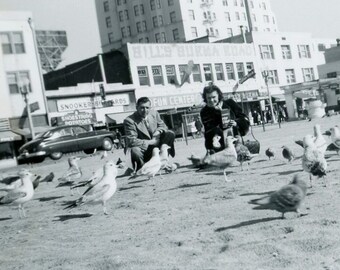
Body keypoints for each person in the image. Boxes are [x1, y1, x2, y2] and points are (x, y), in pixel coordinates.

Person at [124, 97, 175, 171]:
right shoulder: (129, 121)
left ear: (150, 107)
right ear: (136, 107)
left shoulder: (154, 113)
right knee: (135, 150)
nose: (145, 110)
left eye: (147, 108)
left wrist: (159, 131)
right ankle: (141, 168)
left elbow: (163, 126)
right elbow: (131, 141)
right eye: (142, 108)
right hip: (143, 150)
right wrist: (151, 142)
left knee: (170, 134)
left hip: (156, 149)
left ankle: (162, 161)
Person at [200, 84, 250, 154]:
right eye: (209, 98)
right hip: (218, 145)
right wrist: (218, 112)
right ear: (205, 98)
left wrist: (237, 123)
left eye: (213, 97)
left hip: (235, 139)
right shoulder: (204, 111)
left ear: (218, 95)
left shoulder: (230, 103)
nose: (211, 100)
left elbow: (244, 118)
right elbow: (209, 130)